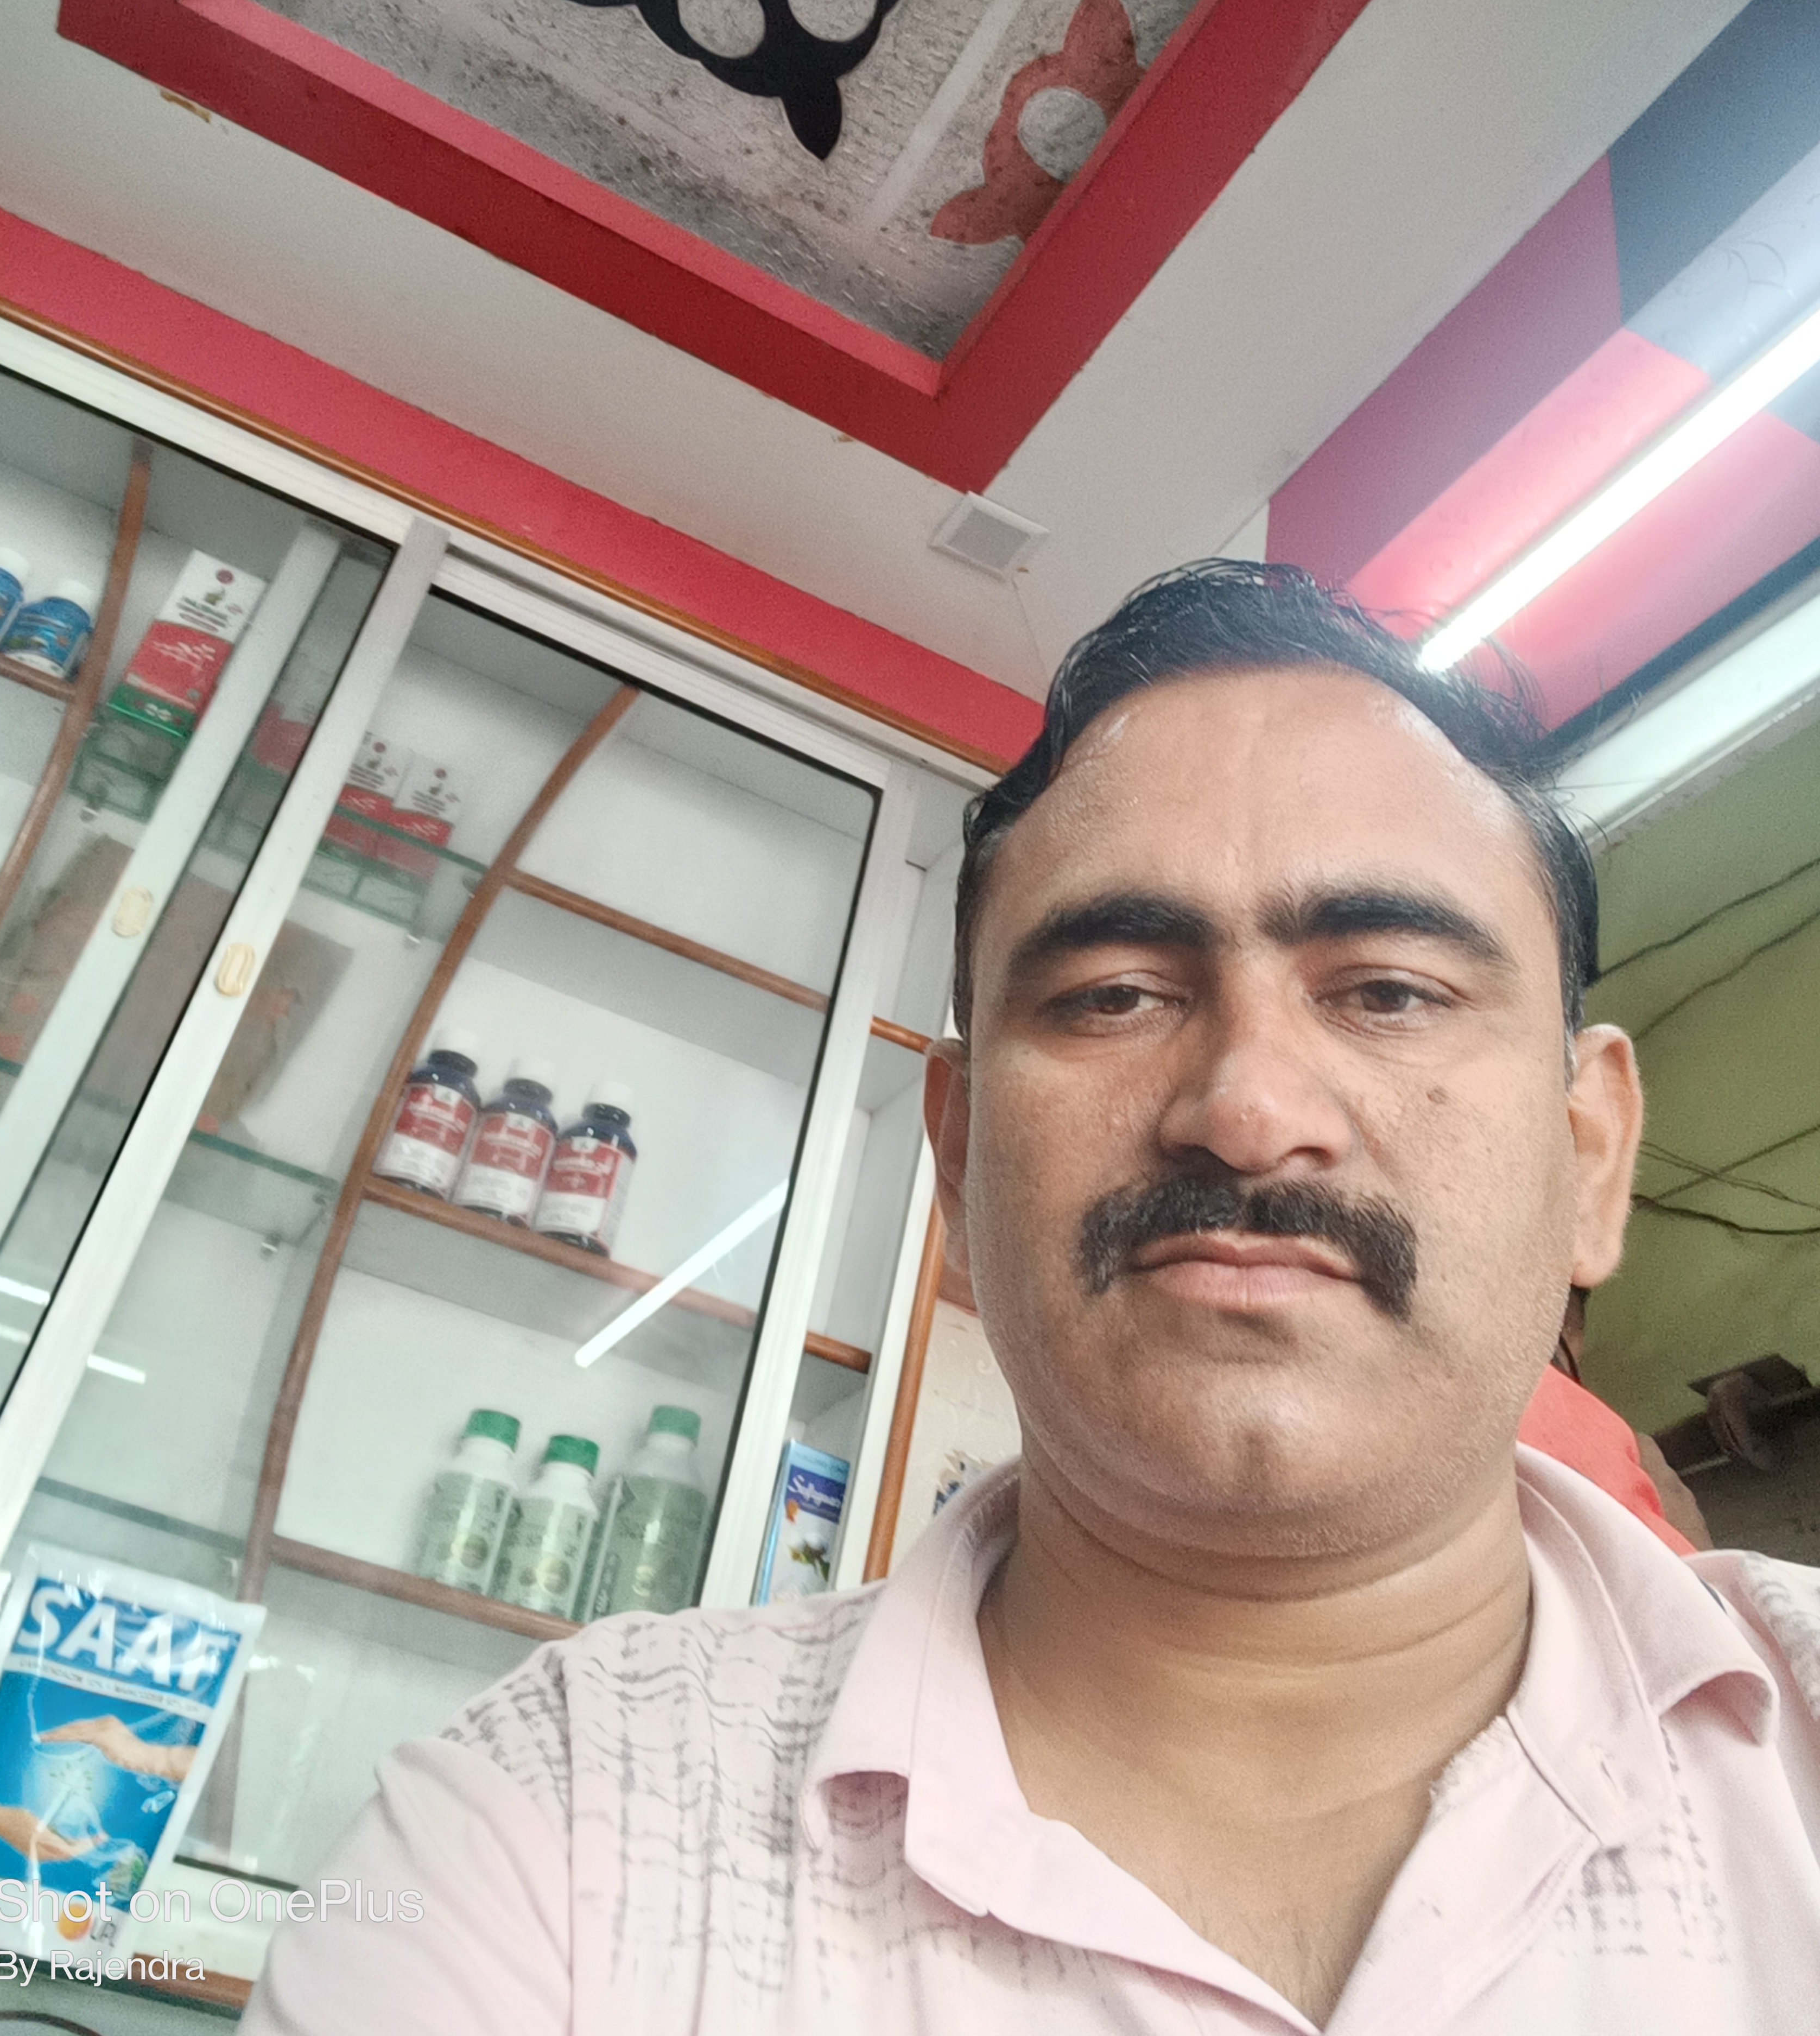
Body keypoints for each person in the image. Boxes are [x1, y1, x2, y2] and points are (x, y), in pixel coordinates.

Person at [246, 561, 1820, 2034]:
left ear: (1590, 1155)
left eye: (1390, 991)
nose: (1248, 1110)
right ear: (957, 1156)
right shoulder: (558, 1819)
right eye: (1113, 996)